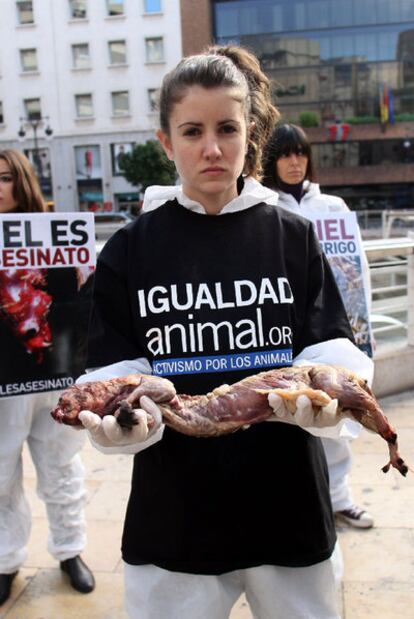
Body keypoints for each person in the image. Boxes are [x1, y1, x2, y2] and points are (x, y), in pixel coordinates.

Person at [76, 46, 373, 619]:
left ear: (249, 132)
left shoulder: (294, 237)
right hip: (175, 515)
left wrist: (336, 402)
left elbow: (331, 347)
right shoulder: (130, 250)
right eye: (191, 131)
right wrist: (117, 425)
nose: (211, 148)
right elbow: (113, 373)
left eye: (227, 129)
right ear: (166, 142)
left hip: (288, 504)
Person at [262, 123, 374, 529]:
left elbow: (357, 271)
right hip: (286, 329)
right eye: (285, 154)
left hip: (333, 327)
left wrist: (362, 329)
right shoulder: (264, 210)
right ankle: (301, 505)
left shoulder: (334, 208)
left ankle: (340, 498)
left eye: (301, 153)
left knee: (337, 415)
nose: (294, 162)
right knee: (290, 419)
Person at [0, 149, 95, 606]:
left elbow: (83, 292)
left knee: (62, 466)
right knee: (0, 474)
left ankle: (69, 551)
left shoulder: (55, 230)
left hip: (55, 372)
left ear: (21, 180)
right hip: (2, 379)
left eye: (2, 178)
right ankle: (6, 561)